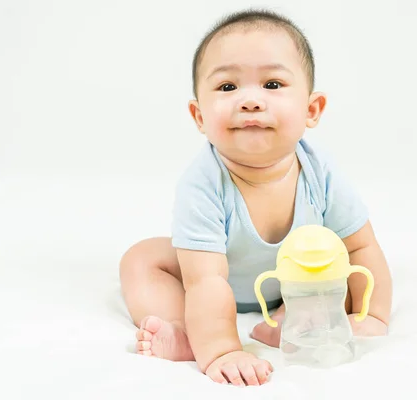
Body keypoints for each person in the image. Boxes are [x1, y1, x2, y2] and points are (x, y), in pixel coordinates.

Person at [119, 8, 392, 386]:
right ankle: (185, 331)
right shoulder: (202, 184)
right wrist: (222, 349)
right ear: (199, 116)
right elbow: (204, 281)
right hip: (214, 275)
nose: (250, 101)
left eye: (273, 85)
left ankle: (291, 321)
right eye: (228, 87)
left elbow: (362, 247)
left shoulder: (319, 170)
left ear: (311, 109)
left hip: (297, 283)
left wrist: (371, 315)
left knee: (339, 263)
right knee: (140, 261)